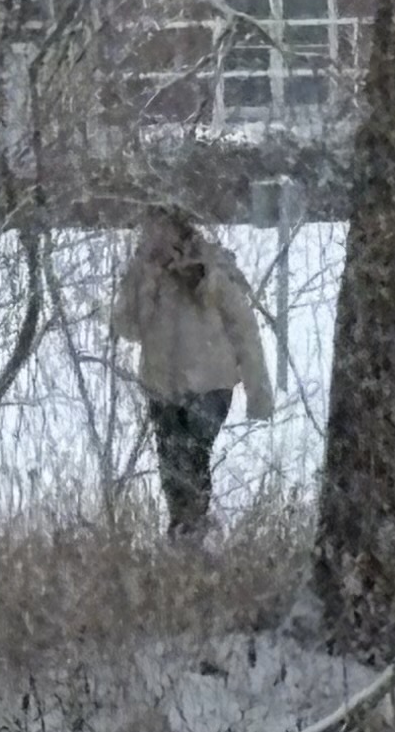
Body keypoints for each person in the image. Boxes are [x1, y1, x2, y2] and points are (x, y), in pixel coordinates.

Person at [111, 207, 276, 539]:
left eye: (160, 228)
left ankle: (192, 531)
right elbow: (126, 327)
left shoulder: (211, 268)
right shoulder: (143, 274)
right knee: (172, 467)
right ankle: (184, 537)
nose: (153, 236)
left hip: (211, 385)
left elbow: (244, 330)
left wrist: (258, 391)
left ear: (177, 227)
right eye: (148, 230)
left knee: (192, 456)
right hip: (162, 387)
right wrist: (144, 280)